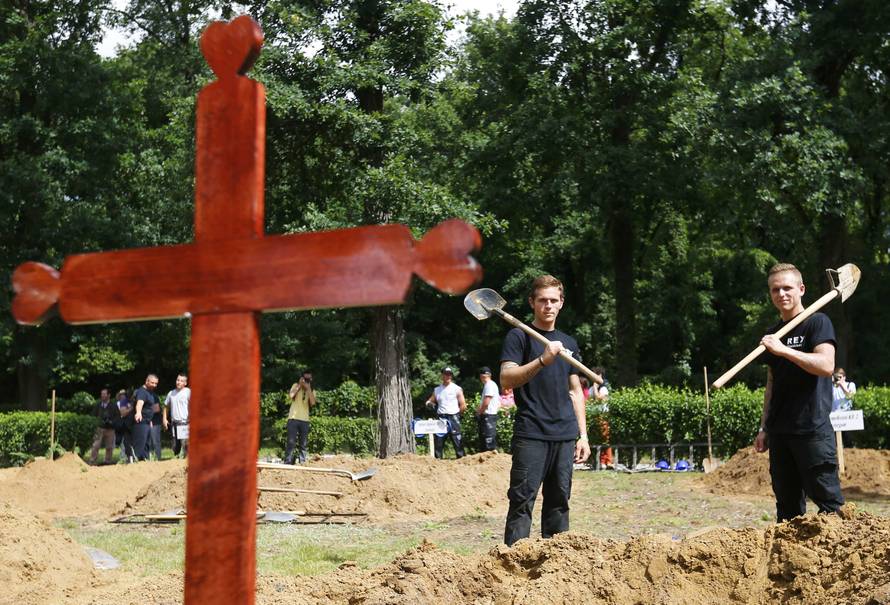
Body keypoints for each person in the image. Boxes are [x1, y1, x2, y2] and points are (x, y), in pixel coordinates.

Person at [500, 274, 590, 546]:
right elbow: (506, 379)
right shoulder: (519, 337)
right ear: (532, 302)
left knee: (559, 502)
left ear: (561, 303)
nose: (548, 306)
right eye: (542, 300)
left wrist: (583, 435)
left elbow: (575, 392)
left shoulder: (568, 343)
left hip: (564, 435)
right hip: (531, 434)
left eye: (553, 300)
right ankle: (512, 565)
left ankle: (557, 567)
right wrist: (542, 359)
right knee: (522, 500)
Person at [753, 263, 844, 522]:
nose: (781, 294)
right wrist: (764, 428)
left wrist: (783, 350)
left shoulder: (817, 323)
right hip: (780, 432)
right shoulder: (772, 334)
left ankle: (838, 558)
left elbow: (826, 366)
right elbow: (772, 384)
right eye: (775, 289)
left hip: (812, 430)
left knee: (829, 504)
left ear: (801, 289)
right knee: (788, 509)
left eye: (787, 288)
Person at [425, 367, 467, 459]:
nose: (448, 376)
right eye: (446, 374)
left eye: (449, 374)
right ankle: (438, 462)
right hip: (441, 417)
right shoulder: (437, 390)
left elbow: (463, 405)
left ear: (451, 376)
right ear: (442, 375)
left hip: (453, 416)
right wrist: (429, 404)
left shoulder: (457, 388)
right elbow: (430, 401)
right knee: (439, 441)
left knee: (457, 440)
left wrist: (458, 415)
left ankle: (462, 461)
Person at [284, 370, 316, 464]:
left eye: (308, 379)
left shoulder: (312, 389)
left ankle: (302, 462)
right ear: (301, 378)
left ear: (311, 379)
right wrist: (299, 385)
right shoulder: (295, 385)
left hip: (305, 420)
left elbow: (313, 403)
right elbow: (291, 395)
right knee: (291, 442)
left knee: (303, 443)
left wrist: (308, 388)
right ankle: (288, 462)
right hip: (293, 417)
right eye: (305, 378)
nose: (306, 381)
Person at [132, 374, 160, 462]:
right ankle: (136, 462)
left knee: (146, 445)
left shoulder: (150, 392)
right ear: (146, 381)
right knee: (140, 444)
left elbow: (149, 408)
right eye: (152, 383)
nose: (154, 385)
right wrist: (138, 412)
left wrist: (150, 420)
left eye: (156, 383)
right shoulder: (142, 391)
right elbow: (139, 403)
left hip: (147, 422)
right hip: (141, 421)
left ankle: (144, 462)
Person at [89, 388, 119, 465]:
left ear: (109, 395)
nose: (102, 396)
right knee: (95, 445)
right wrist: (97, 422)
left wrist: (112, 422)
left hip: (110, 429)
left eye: (104, 394)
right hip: (99, 428)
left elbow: (117, 416)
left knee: (109, 447)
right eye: (102, 394)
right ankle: (92, 461)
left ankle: (107, 461)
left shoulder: (113, 405)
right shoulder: (98, 404)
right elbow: (93, 415)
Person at [163, 373, 191, 458]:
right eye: (178, 380)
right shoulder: (171, 393)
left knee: (185, 445)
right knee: (175, 447)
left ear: (185, 383)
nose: (178, 382)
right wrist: (164, 419)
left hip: (184, 423)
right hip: (174, 423)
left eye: (181, 381)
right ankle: (176, 463)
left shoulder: (188, 392)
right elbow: (166, 407)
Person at [477, 367, 501, 452]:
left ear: (481, 376)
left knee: (488, 440)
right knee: (487, 438)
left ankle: (491, 461)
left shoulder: (489, 385)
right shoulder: (491, 384)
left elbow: (487, 401)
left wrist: (480, 412)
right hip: (490, 415)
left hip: (488, 415)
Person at [592, 367, 613, 468]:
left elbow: (599, 399)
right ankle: (599, 461)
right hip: (594, 416)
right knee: (596, 439)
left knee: (605, 439)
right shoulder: (592, 388)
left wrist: (596, 387)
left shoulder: (603, 388)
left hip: (603, 416)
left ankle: (607, 461)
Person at [116, 389, 135, 463]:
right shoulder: (124, 401)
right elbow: (123, 413)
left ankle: (134, 457)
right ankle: (129, 457)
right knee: (126, 442)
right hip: (127, 424)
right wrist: (131, 408)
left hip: (135, 425)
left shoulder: (135, 400)